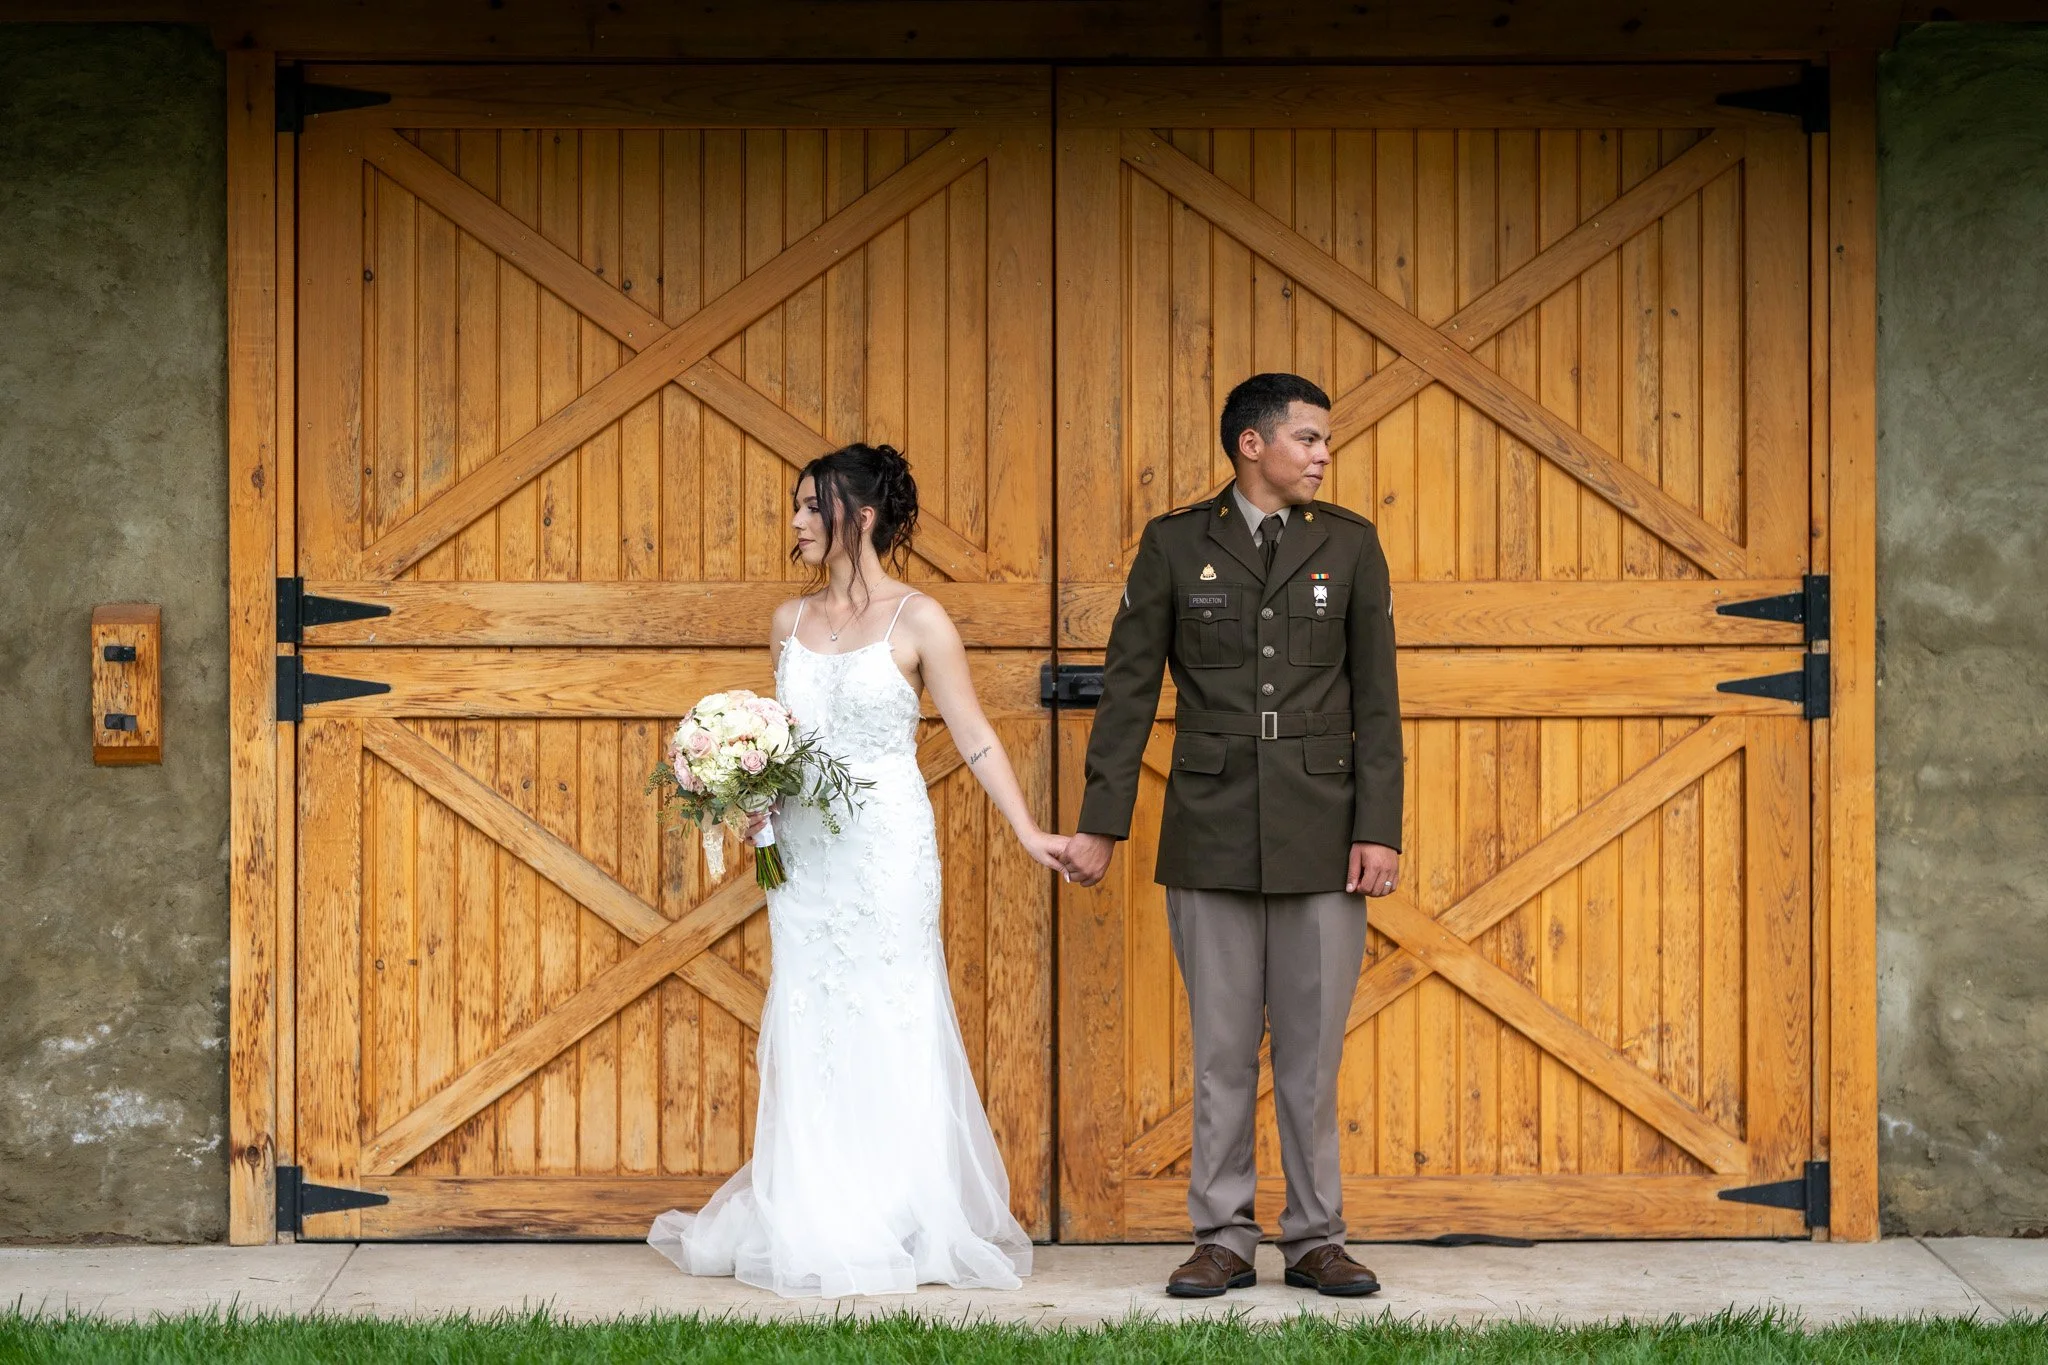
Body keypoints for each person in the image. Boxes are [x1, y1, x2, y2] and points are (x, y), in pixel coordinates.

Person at [648, 442, 1059, 1298]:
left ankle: (900, 1212)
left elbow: (975, 733)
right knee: (810, 1010)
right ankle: (811, 1206)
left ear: (858, 516)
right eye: (795, 507)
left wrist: (1026, 830)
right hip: (804, 852)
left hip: (886, 846)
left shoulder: (920, 619)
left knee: (893, 1006)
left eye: (810, 506)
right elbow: (785, 739)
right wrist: (749, 788)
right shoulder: (785, 623)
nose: (796, 522)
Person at [1060, 373, 1403, 1299]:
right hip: (1208, 828)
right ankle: (1220, 1235)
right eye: (1308, 438)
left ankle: (1317, 1236)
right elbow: (1128, 692)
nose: (1323, 454)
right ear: (1252, 445)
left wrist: (1379, 828)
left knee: (1310, 1051)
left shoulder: (1352, 546)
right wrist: (1102, 824)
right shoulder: (1176, 545)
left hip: (1327, 832)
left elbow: (1378, 698)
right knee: (1219, 1048)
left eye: (1324, 441)